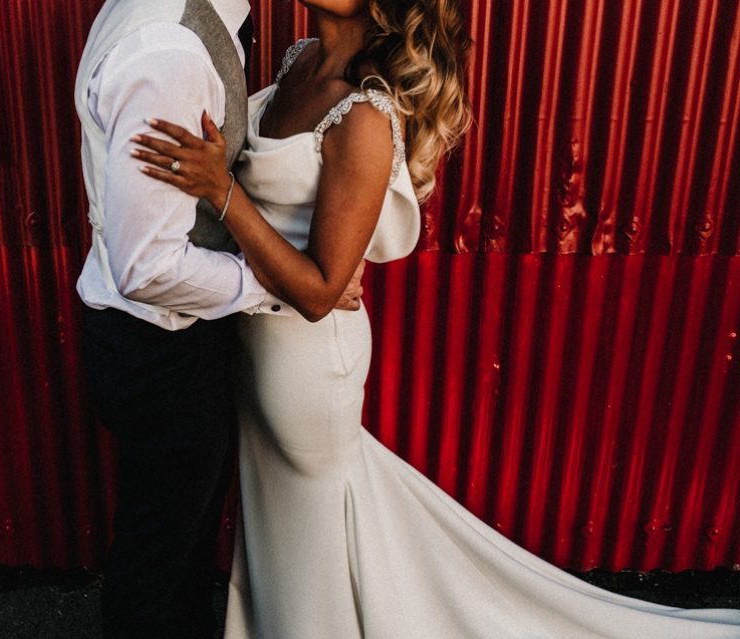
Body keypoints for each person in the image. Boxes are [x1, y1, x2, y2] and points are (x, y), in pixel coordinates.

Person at [131, 0, 740, 637]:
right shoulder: (299, 61)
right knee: (284, 530)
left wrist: (220, 192)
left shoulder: (365, 114)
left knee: (308, 543)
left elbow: (317, 294)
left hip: (303, 367)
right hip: (250, 342)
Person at [73, 1, 362, 638]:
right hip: (161, 346)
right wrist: (278, 284)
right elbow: (149, 268)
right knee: (160, 564)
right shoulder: (170, 50)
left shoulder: (184, 18)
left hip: (163, 340)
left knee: (178, 550)